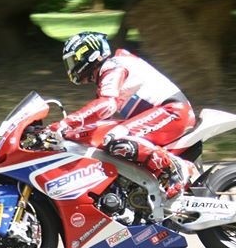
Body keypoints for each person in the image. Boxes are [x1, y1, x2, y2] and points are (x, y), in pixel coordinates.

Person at [47, 31, 197, 199]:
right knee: (106, 137)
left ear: (89, 54)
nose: (71, 66)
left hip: (173, 111)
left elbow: (107, 105)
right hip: (164, 112)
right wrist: (70, 134)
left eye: (73, 60)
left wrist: (67, 123)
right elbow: (100, 118)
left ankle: (176, 170)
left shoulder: (113, 66)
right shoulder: (110, 70)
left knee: (116, 139)